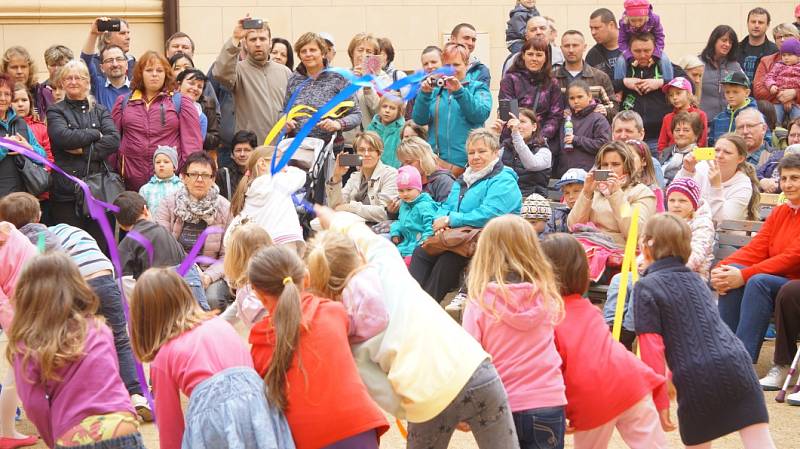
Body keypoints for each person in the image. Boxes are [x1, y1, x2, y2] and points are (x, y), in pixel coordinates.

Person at [309, 207, 520, 449]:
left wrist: (422, 406)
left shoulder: (348, 331)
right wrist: (336, 219)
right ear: (355, 256)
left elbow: (384, 393)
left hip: (426, 400)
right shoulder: (386, 266)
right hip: (474, 370)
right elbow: (365, 236)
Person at [0, 193, 155, 422]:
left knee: (75, 343)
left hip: (75, 284)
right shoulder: (63, 227)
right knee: (120, 338)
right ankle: (137, 395)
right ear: (39, 214)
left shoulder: (23, 242)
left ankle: (88, 398)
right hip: (103, 275)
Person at [635, 214, 776, 449]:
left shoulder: (646, 287)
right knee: (759, 441)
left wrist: (659, 402)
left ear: (645, 246)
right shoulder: (696, 280)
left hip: (695, 375)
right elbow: (701, 331)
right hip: (737, 363)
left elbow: (652, 350)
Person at [130, 268, 293, 449]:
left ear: (144, 317)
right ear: (185, 295)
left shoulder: (163, 357)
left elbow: (171, 428)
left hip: (214, 418)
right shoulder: (219, 323)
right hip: (260, 403)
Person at [248, 245, 389, 448]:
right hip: (359, 429)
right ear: (306, 279)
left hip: (305, 439)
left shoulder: (259, 345)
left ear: (260, 295)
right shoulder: (333, 312)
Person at [540, 233, 667, 449]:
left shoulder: (548, 317)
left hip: (593, 398)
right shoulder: (589, 309)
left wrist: (561, 410)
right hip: (632, 383)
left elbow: (553, 369)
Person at [9, 252, 146, 449]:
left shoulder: (28, 345)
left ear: (27, 294)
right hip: (122, 424)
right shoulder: (99, 328)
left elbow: (34, 404)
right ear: (76, 285)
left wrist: (53, 439)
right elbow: (111, 379)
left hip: (74, 434)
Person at [462, 215, 566, 449]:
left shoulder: (481, 301)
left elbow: (469, 359)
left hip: (498, 402)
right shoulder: (547, 296)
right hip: (547, 399)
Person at [410, 129, 522, 301]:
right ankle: (412, 305)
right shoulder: (465, 178)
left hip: (493, 239)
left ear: (495, 153)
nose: (475, 156)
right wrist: (441, 222)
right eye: (471, 152)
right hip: (461, 237)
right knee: (421, 252)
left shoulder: (504, 179)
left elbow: (491, 213)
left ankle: (426, 309)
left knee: (449, 259)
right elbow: (446, 205)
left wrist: (451, 220)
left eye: (482, 151)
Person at [711, 153, 800, 364]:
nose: (787, 184)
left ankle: (742, 359)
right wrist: (722, 269)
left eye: (794, 178)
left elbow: (793, 257)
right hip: (778, 280)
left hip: (793, 285)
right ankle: (725, 355)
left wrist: (744, 274)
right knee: (733, 275)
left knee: (757, 281)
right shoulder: (780, 213)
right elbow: (756, 249)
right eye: (784, 179)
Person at [45, 60, 119, 254]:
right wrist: (95, 135)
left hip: (99, 191)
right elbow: (63, 138)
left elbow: (113, 140)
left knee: (101, 247)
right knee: (71, 249)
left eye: (79, 77)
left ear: (88, 82)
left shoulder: (100, 110)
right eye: (69, 77)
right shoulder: (55, 110)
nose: (73, 81)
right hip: (66, 191)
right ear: (62, 82)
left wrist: (83, 151)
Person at [112, 51, 203, 192]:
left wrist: (188, 175)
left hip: (171, 183)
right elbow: (113, 142)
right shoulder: (123, 102)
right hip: (130, 182)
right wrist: (114, 172)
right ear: (140, 73)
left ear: (166, 74)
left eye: (159, 70)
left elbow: (192, 145)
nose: (154, 74)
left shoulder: (181, 102)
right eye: (149, 70)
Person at [156, 151, 233, 311]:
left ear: (213, 179)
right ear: (184, 177)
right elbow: (162, 247)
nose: (199, 180)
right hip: (176, 269)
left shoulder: (225, 208)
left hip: (209, 272)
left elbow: (229, 255)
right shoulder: (169, 204)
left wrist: (207, 277)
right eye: (194, 174)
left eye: (205, 175)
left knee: (211, 299)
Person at [113, 191, 209, 308]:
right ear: (145, 210)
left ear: (121, 224)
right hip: (188, 284)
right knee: (200, 323)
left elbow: (124, 284)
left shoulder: (124, 246)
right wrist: (201, 276)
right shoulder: (162, 231)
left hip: (159, 294)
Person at [413, 42, 492, 176]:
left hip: (470, 164)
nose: (451, 70)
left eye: (456, 65)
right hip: (438, 164)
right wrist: (424, 94)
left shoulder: (477, 88)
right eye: (447, 66)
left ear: (466, 65)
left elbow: (480, 114)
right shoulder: (436, 90)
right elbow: (419, 120)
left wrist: (459, 91)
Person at [213, 16, 291, 145]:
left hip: (281, 148)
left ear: (270, 42)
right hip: (252, 149)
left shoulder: (285, 72)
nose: (258, 44)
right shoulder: (238, 70)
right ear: (245, 44)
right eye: (253, 39)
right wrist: (235, 38)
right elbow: (220, 73)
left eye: (263, 39)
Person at [567, 141, 656, 245]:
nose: (609, 169)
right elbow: (573, 226)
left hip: (619, 252)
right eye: (605, 165)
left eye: (615, 164)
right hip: (589, 246)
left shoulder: (641, 192)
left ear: (627, 166)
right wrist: (586, 194)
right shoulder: (595, 191)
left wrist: (616, 194)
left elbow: (635, 233)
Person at [283, 32, 361, 146]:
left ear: (323, 53)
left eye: (313, 50)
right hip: (296, 149)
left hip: (329, 150)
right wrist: (285, 122)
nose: (308, 54)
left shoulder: (339, 78)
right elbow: (284, 112)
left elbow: (356, 114)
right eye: (303, 51)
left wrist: (338, 124)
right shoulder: (293, 79)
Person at [0, 222, 39, 449]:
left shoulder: (12, 232)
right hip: (37, 308)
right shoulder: (12, 231)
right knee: (18, 374)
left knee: (19, 374)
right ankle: (6, 431)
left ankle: (8, 430)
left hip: (23, 314)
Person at [226, 146, 306, 255]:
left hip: (257, 252)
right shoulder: (277, 182)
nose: (286, 168)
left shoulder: (250, 189)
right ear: (262, 164)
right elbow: (300, 175)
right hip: (281, 248)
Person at [676, 133, 759, 224]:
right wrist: (687, 172)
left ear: (740, 159)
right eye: (716, 150)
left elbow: (722, 222)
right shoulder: (701, 167)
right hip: (692, 229)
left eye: (727, 152)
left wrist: (716, 187)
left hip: (724, 235)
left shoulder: (743, 185)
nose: (719, 155)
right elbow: (674, 197)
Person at [614, 33, 676, 153]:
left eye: (647, 51)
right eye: (637, 51)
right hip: (629, 138)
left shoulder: (664, 66)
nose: (642, 55)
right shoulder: (622, 68)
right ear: (629, 51)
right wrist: (624, 82)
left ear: (655, 49)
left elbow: (688, 85)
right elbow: (606, 87)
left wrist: (661, 83)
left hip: (659, 138)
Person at [499, 37, 563, 145]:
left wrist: (539, 138)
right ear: (523, 55)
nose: (534, 58)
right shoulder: (510, 80)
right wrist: (520, 136)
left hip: (541, 143)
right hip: (513, 140)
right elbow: (508, 113)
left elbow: (556, 116)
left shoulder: (552, 83)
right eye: (530, 54)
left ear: (546, 57)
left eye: (539, 55)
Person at [326, 131, 398, 223]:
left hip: (377, 228)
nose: (366, 154)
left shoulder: (390, 174)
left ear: (379, 154)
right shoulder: (354, 177)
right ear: (356, 153)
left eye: (371, 150)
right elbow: (335, 207)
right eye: (362, 150)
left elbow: (384, 213)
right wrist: (336, 177)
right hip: (352, 223)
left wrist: (351, 207)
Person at [555, 30, 618, 119]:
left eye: (575, 45)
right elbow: (545, 109)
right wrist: (560, 113)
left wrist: (604, 110)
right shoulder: (551, 78)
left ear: (584, 47)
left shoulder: (600, 77)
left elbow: (614, 107)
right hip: (562, 131)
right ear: (561, 48)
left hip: (593, 131)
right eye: (567, 46)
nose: (571, 50)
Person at [219, 223, 271, 328]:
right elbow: (238, 306)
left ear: (236, 259)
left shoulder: (252, 293)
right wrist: (216, 324)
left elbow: (268, 328)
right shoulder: (251, 284)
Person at [556, 80, 612, 177]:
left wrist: (576, 140)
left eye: (580, 97)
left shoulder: (598, 118)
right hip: (568, 174)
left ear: (589, 96)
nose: (576, 101)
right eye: (572, 98)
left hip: (592, 175)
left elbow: (604, 145)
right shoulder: (566, 119)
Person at [491, 108, 552, 196]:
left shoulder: (544, 151)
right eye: (515, 121)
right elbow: (488, 165)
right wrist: (494, 136)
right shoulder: (506, 146)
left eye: (522, 121)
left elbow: (532, 165)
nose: (518, 125)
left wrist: (516, 135)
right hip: (505, 199)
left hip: (532, 204)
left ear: (534, 127)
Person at [389, 165, 437, 263]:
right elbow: (400, 221)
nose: (405, 194)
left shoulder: (425, 206)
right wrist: (395, 233)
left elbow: (430, 228)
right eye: (401, 190)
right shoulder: (404, 204)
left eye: (409, 189)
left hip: (417, 248)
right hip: (405, 245)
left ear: (418, 189)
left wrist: (423, 243)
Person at [699, 25, 745, 121]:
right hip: (703, 122)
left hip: (730, 122)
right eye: (724, 40)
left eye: (730, 42)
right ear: (714, 40)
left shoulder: (736, 66)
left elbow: (746, 91)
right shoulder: (698, 64)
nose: (727, 44)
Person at [611, 110, 666, 187]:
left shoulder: (652, 165)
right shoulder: (604, 161)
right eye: (618, 131)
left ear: (641, 134)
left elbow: (657, 197)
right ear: (612, 135)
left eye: (628, 131)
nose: (623, 136)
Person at [395, 136, 455, 202]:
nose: (406, 167)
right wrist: (392, 211)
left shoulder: (443, 181)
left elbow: (447, 210)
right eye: (403, 163)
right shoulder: (405, 181)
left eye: (410, 162)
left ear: (424, 159)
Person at [753, 23, 800, 105]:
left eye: (787, 35)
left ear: (797, 39)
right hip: (773, 108)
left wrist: (795, 93)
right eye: (778, 37)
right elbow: (758, 91)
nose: (782, 39)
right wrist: (782, 94)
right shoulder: (766, 61)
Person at [658, 77, 708, 151]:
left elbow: (702, 142)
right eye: (671, 95)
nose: (674, 97)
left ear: (689, 94)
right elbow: (662, 144)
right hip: (671, 158)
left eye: (678, 93)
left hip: (694, 156)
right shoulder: (667, 118)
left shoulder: (700, 115)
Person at [709, 70, 760, 145]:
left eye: (735, 92)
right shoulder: (718, 119)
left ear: (747, 93)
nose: (730, 96)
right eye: (727, 92)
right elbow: (711, 145)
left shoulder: (757, 117)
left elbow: (765, 142)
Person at [1, 46, 54, 116]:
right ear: (5, 70)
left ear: (30, 69)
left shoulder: (43, 94)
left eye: (23, 67)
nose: (19, 71)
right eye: (14, 67)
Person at [82, 44, 131, 112]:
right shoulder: (98, 85)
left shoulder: (136, 88)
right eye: (109, 60)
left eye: (119, 59)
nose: (115, 64)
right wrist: (93, 35)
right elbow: (85, 60)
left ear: (126, 64)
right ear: (102, 68)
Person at [661, 111, 704, 184]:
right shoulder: (666, 152)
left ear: (696, 135)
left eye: (686, 130)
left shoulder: (699, 156)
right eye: (677, 130)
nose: (681, 133)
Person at [617, 0, 665, 65]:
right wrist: (629, 56)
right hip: (632, 50)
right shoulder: (624, 23)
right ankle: (619, 76)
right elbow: (622, 42)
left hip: (650, 49)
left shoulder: (654, 20)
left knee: (665, 60)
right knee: (620, 62)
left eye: (640, 20)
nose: (637, 24)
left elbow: (660, 37)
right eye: (633, 21)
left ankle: (668, 75)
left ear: (646, 17)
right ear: (628, 18)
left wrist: (656, 54)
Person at [138, 145, 182, 216]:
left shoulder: (181, 187)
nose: (161, 164)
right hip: (151, 226)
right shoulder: (145, 189)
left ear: (174, 166)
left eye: (166, 162)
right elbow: (141, 213)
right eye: (158, 162)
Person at [765, 37, 800, 124]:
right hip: (778, 100)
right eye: (784, 55)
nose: (786, 58)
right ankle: (777, 134)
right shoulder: (778, 66)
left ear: (798, 56)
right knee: (775, 120)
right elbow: (769, 77)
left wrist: (794, 94)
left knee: (797, 120)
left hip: (796, 102)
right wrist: (771, 86)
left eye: (790, 55)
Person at [739, 7, 779, 82]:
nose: (756, 25)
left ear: (767, 25)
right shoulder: (735, 49)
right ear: (747, 23)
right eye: (753, 22)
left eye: (760, 22)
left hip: (763, 93)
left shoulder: (775, 51)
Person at [367, 94, 405, 168]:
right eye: (384, 106)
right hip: (371, 171)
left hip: (393, 173)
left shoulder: (402, 130)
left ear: (399, 111)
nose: (387, 110)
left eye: (392, 108)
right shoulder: (372, 127)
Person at [405, 46, 442, 120]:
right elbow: (409, 118)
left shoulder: (452, 84)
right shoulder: (416, 89)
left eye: (433, 62)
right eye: (425, 64)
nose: (430, 66)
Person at [217, 130, 256, 200]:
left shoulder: (259, 174)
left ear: (255, 152)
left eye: (247, 150)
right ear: (232, 154)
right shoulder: (223, 175)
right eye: (238, 150)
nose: (242, 154)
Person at [586, 8, 622, 82]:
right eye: (591, 28)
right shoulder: (592, 55)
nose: (593, 32)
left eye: (597, 28)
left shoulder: (632, 45)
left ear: (611, 25)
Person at [549, 168, 586, 233]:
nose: (571, 196)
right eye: (567, 193)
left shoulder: (595, 214)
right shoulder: (557, 215)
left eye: (576, 191)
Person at [175, 68, 209, 139]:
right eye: (191, 83)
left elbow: (198, 143)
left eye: (200, 87)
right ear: (179, 85)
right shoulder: (166, 104)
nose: (195, 88)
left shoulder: (202, 117)